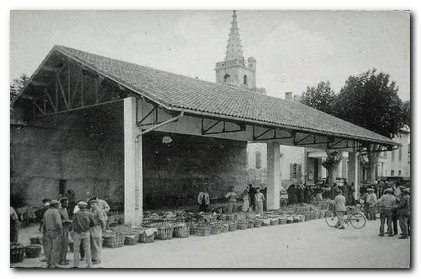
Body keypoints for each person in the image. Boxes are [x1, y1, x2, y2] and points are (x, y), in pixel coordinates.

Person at [72, 201, 94, 268]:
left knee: (76, 249)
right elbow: (93, 223)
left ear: (78, 207)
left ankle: (76, 264)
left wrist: (79, 230)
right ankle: (89, 264)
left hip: (77, 233)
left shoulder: (76, 214)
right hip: (86, 232)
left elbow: (74, 224)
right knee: (87, 249)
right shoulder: (90, 214)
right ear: (85, 206)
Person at [42, 200, 63, 268]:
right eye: (58, 205)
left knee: (49, 247)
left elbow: (44, 223)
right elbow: (58, 223)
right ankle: (53, 264)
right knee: (55, 248)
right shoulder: (56, 212)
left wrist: (45, 232)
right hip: (55, 231)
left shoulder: (46, 212)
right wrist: (61, 230)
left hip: (48, 231)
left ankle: (49, 262)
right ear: (56, 205)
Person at [90, 199, 105, 264]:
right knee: (93, 243)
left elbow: (102, 221)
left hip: (97, 228)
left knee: (97, 242)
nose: (92, 205)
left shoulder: (99, 211)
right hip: (92, 228)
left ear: (97, 205)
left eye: (93, 204)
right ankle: (93, 257)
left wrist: (103, 228)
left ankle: (97, 259)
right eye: (91, 204)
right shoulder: (91, 210)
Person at [58, 197, 72, 265]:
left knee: (66, 245)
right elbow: (57, 221)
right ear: (61, 203)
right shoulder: (59, 210)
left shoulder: (66, 209)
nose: (67, 204)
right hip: (62, 230)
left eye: (67, 203)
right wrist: (65, 221)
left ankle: (64, 258)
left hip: (66, 229)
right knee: (62, 245)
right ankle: (61, 260)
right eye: (65, 203)